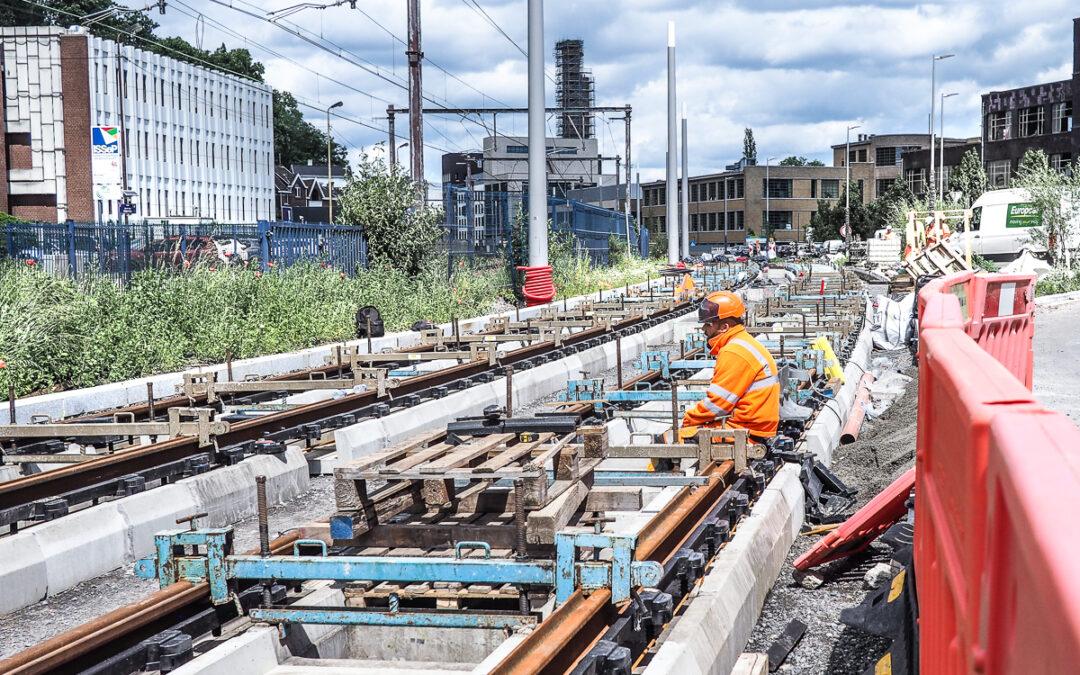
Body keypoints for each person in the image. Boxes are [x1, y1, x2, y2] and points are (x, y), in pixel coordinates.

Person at [680, 291, 780, 443]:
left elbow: (716, 404)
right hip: (756, 427)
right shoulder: (744, 342)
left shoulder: (734, 352)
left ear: (724, 327)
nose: (704, 329)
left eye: (708, 324)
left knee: (672, 437)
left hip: (744, 431)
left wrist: (688, 421)